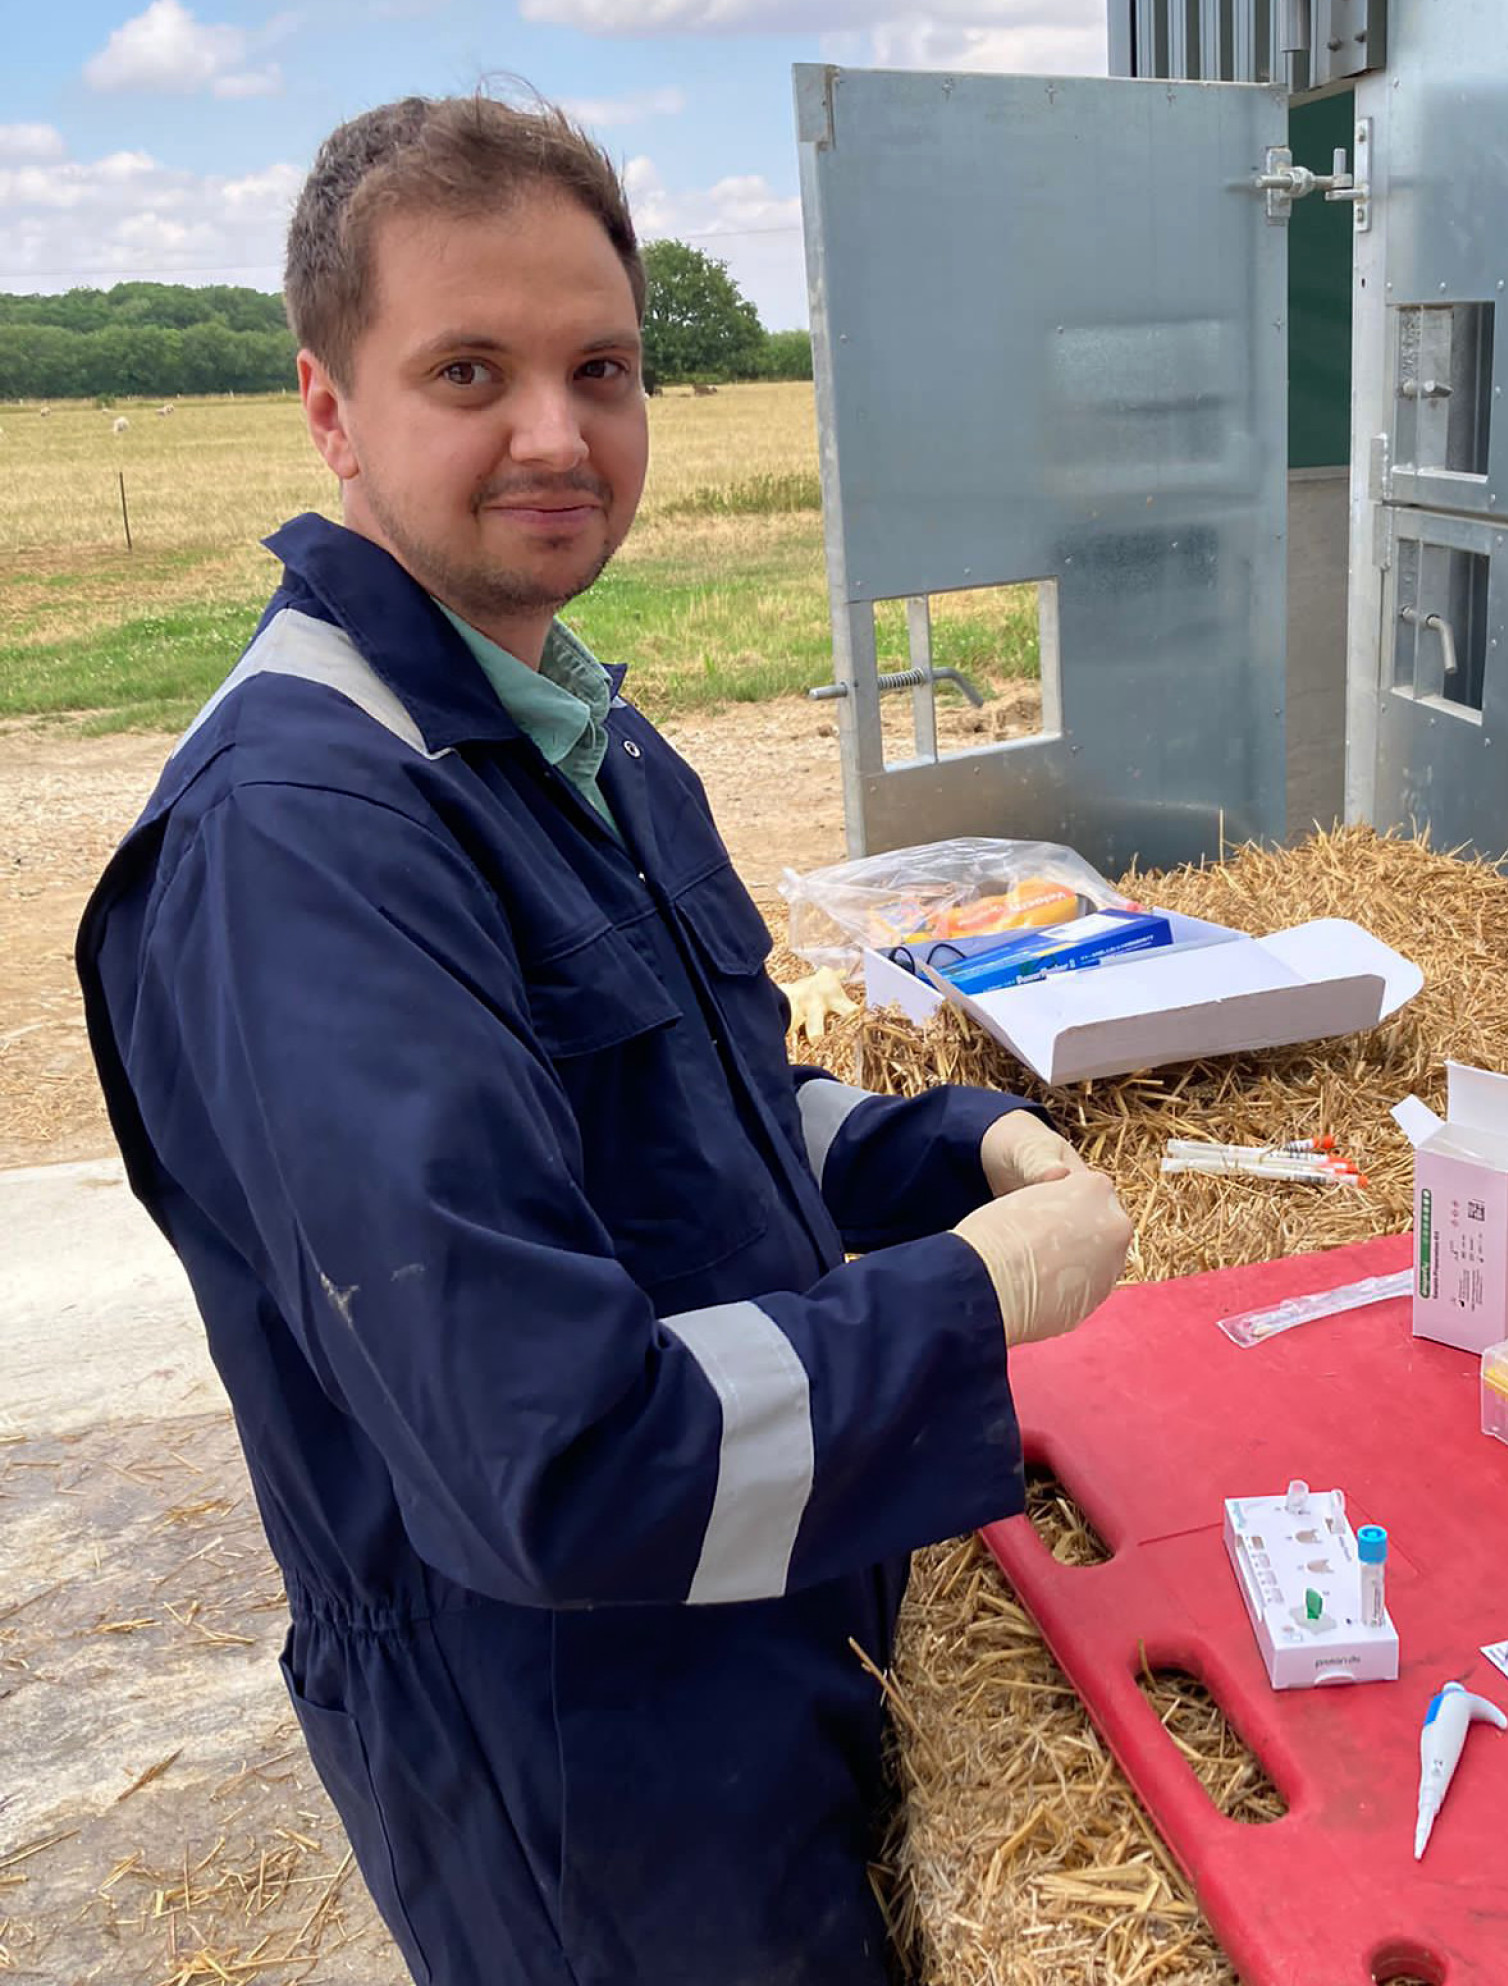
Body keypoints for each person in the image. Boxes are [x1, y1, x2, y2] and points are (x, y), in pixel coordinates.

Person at [76, 92, 1133, 1986]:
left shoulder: (572, 723)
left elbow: (682, 1110)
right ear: (329, 405)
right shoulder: (307, 835)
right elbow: (550, 1456)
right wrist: (969, 1299)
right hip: (582, 1754)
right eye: (468, 369)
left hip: (750, 1639)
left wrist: (934, 1150)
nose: (555, 435)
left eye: (604, 368)